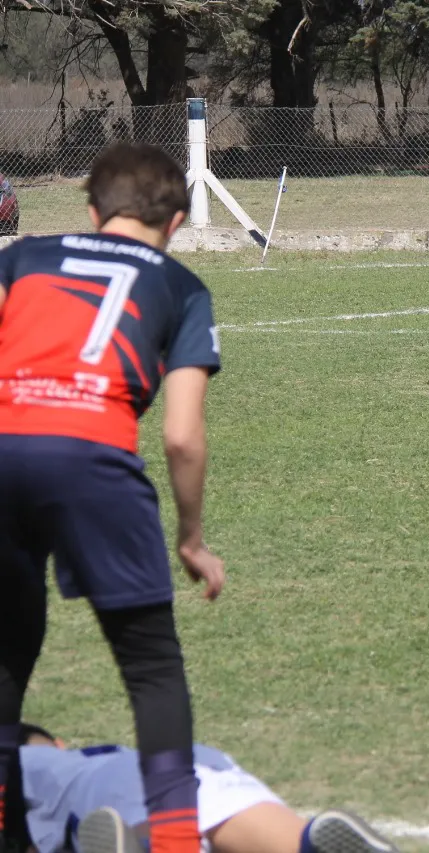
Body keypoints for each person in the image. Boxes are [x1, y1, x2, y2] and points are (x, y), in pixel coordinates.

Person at [0, 143, 225, 853]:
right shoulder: (183, 286)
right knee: (152, 666)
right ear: (179, 220)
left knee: (6, 655)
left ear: (92, 212)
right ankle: (178, 844)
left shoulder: (25, 255)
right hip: (94, 457)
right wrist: (190, 536)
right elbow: (183, 437)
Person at [10, 723, 398, 853]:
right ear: (59, 740)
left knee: (148, 829)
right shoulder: (102, 753)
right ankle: (306, 843)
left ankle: (143, 846)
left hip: (98, 794)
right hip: (194, 764)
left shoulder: (25, 762)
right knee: (232, 811)